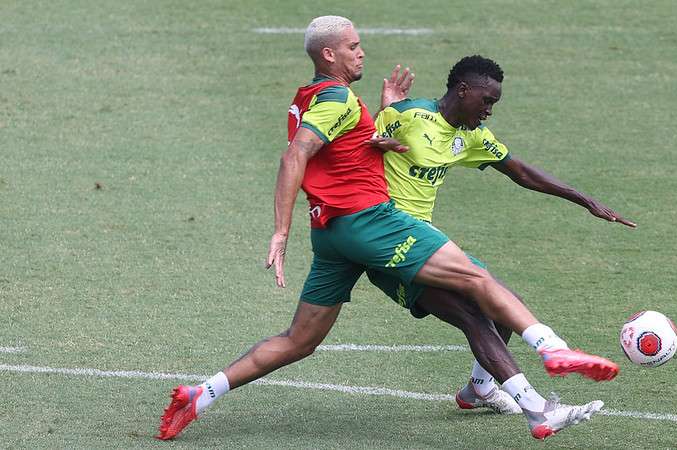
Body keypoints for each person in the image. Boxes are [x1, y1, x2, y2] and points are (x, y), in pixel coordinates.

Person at [157, 16, 616, 442]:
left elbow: (333, 150)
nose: (362, 52)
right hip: (372, 223)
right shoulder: (339, 98)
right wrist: (280, 230)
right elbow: (295, 155)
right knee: (480, 283)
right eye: (353, 46)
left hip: (334, 234)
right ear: (329, 55)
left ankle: (203, 394)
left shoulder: (309, 97)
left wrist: (373, 140)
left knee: (299, 341)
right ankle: (551, 355)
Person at [366, 54, 637, 437]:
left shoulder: (470, 136)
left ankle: (479, 389)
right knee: (474, 316)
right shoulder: (411, 117)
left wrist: (583, 199)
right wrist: (386, 115)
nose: (489, 110)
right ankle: (537, 409)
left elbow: (520, 171)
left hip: (425, 240)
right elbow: (365, 143)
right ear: (463, 90)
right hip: (387, 245)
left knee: (502, 304)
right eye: (487, 100)